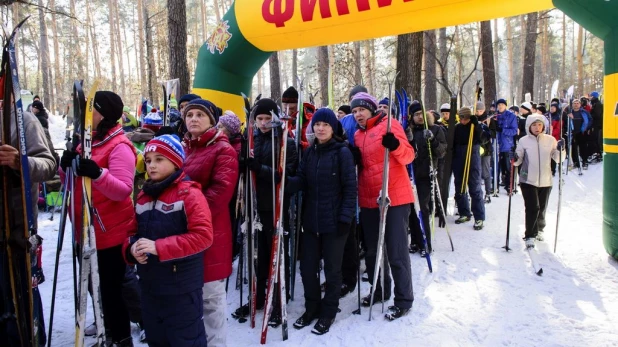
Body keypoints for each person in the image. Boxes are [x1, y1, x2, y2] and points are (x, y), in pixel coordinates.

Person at [59, 91, 137, 346]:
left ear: (104, 114)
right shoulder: (87, 142)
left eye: (89, 110)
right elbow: (70, 184)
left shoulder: (120, 146)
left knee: (111, 291)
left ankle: (122, 338)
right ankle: (108, 332)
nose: (84, 115)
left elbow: (123, 189)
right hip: (86, 229)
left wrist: (98, 174)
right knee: (95, 287)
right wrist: (65, 166)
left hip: (110, 232)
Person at [124, 134, 213, 347]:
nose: (152, 165)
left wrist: (159, 247)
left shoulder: (189, 194)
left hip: (181, 289)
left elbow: (203, 236)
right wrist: (131, 249)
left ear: (175, 162)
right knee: (157, 339)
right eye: (148, 160)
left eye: (159, 159)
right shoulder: (143, 196)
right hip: (150, 287)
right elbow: (131, 232)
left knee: (186, 340)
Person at [288, 108, 357, 335]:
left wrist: (346, 218)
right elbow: (301, 179)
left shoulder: (342, 152)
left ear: (333, 128)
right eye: (317, 124)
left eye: (325, 125)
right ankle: (311, 308)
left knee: (332, 270)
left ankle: (328, 312)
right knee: (308, 269)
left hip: (336, 222)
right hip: (310, 221)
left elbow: (350, 188)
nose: (320, 128)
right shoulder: (310, 152)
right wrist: (283, 180)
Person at [352, 92, 414, 320]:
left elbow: (408, 157)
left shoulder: (390, 124)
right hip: (368, 198)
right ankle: (380, 289)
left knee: (396, 250)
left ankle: (404, 299)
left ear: (371, 109)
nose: (358, 114)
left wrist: (395, 145)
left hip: (394, 197)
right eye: (354, 111)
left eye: (361, 109)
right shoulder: (358, 135)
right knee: (372, 251)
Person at [180, 98, 237, 347]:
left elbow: (220, 193)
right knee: (187, 297)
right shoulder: (182, 147)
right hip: (180, 232)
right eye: (189, 114)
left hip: (211, 233)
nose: (193, 119)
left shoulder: (223, 150)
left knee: (211, 298)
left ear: (212, 121)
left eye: (199, 115)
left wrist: (183, 212)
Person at [0, 101, 56, 346]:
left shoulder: (20, 119)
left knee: (20, 307)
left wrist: (19, 161)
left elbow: (48, 164)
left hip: (13, 234)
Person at [514, 114, 565, 248]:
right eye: (534, 125)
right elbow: (518, 160)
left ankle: (540, 229)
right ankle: (530, 234)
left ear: (544, 126)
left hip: (546, 180)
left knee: (542, 208)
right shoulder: (523, 141)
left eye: (540, 125)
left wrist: (561, 149)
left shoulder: (550, 140)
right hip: (528, 180)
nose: (537, 128)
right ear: (529, 126)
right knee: (532, 208)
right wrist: (514, 158)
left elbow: (558, 159)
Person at [406, 102, 446, 256]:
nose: (420, 117)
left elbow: (442, 152)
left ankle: (425, 243)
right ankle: (415, 241)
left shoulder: (435, 129)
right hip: (411, 176)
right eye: (416, 114)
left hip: (426, 176)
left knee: (422, 208)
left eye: (422, 114)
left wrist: (433, 140)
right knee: (410, 210)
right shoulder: (410, 131)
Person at [452, 106, 485, 230]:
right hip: (459, 158)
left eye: (464, 118)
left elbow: (483, 139)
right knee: (460, 187)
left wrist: (477, 126)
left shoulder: (474, 127)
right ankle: (464, 212)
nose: (462, 120)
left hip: (473, 157)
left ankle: (479, 217)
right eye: (460, 118)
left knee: (475, 188)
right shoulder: (457, 128)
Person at [495, 99, 518, 192]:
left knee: (508, 167)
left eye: (502, 104)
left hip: (507, 145)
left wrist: (502, 130)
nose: (500, 106)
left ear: (505, 106)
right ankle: (499, 183)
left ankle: (510, 185)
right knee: (499, 167)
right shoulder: (495, 116)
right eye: (499, 104)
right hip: (496, 145)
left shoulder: (511, 116)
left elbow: (514, 131)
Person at [562, 99, 590, 169]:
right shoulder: (569, 112)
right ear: (572, 104)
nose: (576, 104)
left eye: (577, 103)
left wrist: (587, 128)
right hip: (572, 132)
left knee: (583, 147)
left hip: (582, 132)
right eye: (574, 103)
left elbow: (589, 120)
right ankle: (575, 162)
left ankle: (584, 161)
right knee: (573, 148)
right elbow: (564, 122)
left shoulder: (584, 112)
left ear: (580, 104)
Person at [477, 102, 495, 203]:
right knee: (477, 173)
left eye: (481, 111)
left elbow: (493, 133)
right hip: (476, 149)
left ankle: (488, 193)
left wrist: (487, 127)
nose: (479, 113)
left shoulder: (489, 119)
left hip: (486, 150)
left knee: (486, 172)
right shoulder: (473, 119)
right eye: (477, 111)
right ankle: (478, 193)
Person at [589, 91, 603, 162]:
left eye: (591, 96)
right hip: (595, 124)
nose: (590, 98)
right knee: (594, 139)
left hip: (597, 125)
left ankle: (598, 153)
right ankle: (597, 153)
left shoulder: (597, 104)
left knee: (596, 139)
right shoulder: (594, 103)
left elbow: (597, 115)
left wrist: (590, 115)